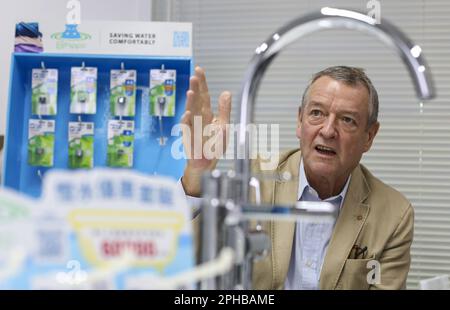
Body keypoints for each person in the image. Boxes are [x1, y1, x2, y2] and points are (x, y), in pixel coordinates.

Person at [180, 65, 414, 290]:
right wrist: (196, 182)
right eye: (317, 113)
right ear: (299, 121)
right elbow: (187, 261)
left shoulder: (394, 214)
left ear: (369, 137)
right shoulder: (253, 180)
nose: (328, 130)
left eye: (347, 120)